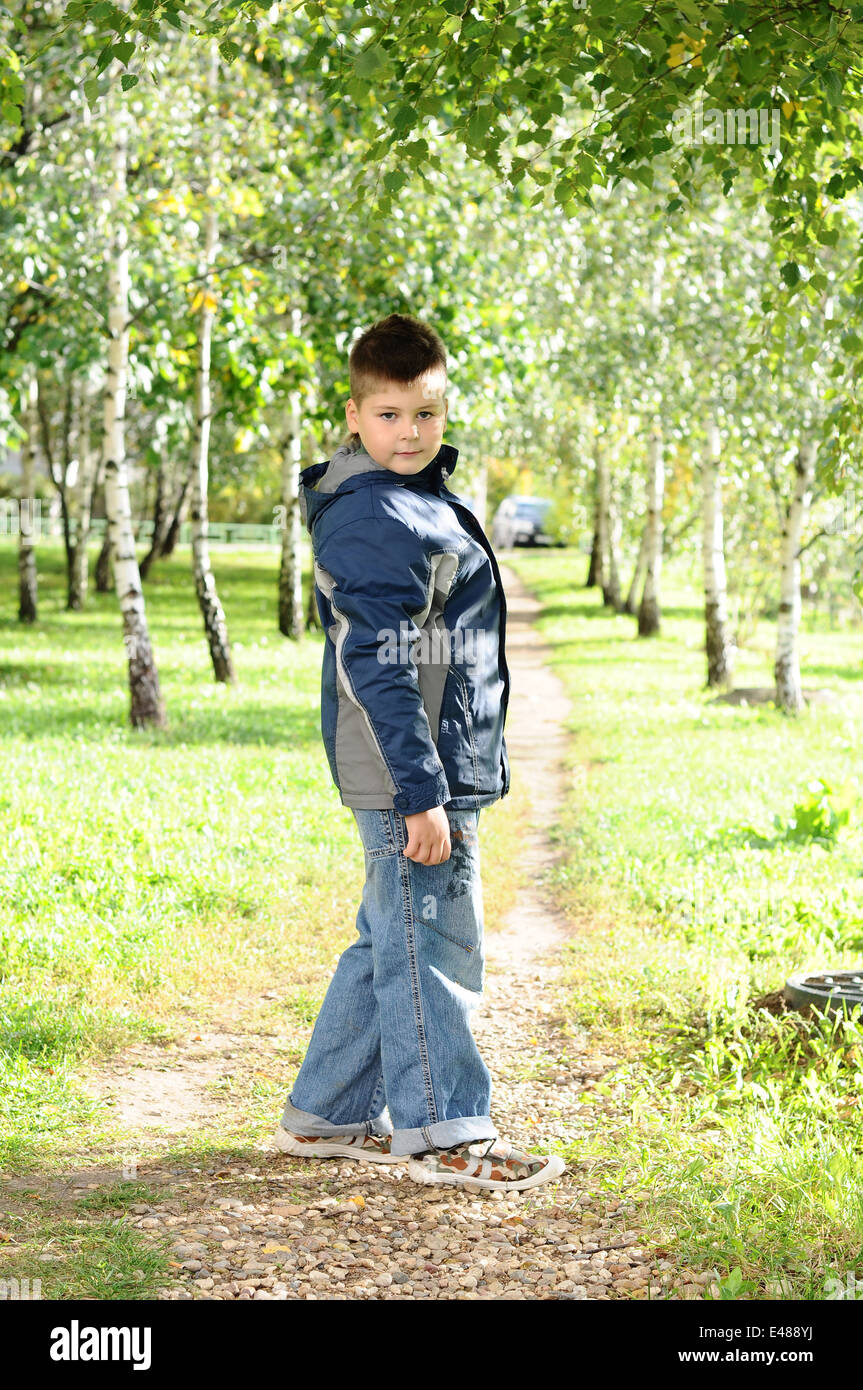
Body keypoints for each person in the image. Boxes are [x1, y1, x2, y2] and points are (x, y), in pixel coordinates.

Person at [274, 313, 566, 1193]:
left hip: (428, 762)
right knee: (429, 939)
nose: (410, 433)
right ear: (355, 416)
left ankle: (324, 1114)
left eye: (426, 414)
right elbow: (378, 666)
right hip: (410, 771)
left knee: (389, 934)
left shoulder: (415, 501)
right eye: (391, 415)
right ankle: (443, 1131)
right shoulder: (374, 515)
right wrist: (421, 794)